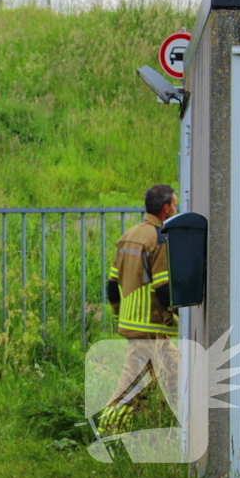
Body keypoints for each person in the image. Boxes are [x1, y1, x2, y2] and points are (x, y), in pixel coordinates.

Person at [97, 184, 179, 436]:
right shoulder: (159, 238)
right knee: (130, 387)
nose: (176, 208)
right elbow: (164, 286)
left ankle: (183, 424)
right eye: (175, 204)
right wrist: (178, 314)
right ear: (166, 208)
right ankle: (103, 433)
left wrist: (119, 313)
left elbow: (112, 285)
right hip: (150, 328)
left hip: (136, 325)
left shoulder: (128, 235)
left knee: (181, 374)